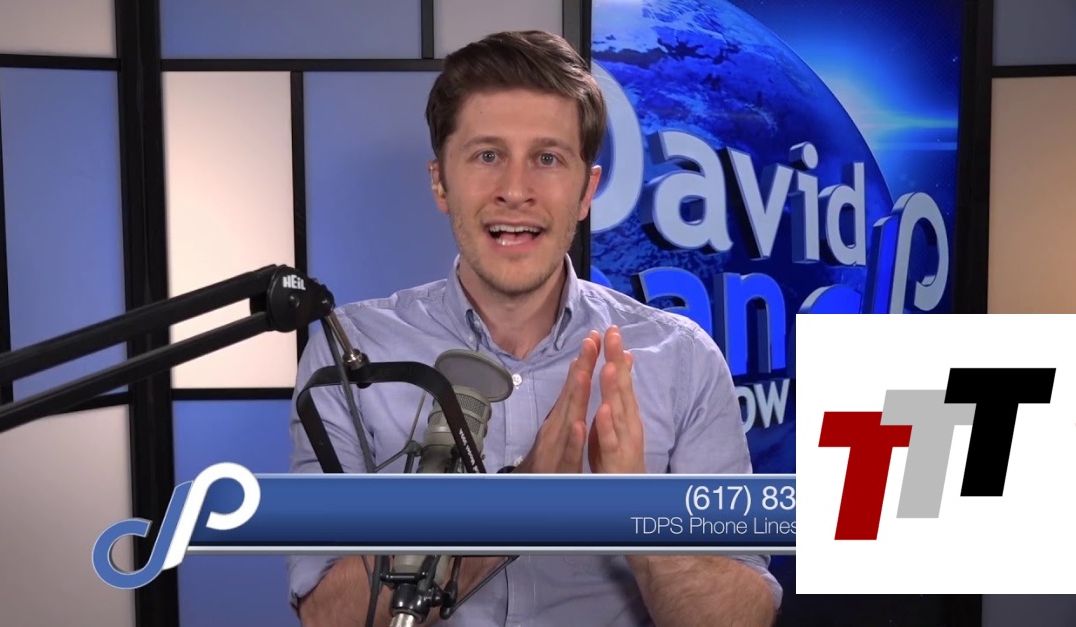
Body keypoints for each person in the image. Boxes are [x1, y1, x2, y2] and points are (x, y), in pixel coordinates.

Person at [286, 29, 782, 627]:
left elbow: (743, 615)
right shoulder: (351, 354)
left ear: (586, 191)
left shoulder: (682, 359)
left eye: (547, 159)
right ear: (440, 182)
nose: (515, 191)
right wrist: (520, 504)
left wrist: (637, 509)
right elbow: (326, 614)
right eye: (487, 156)